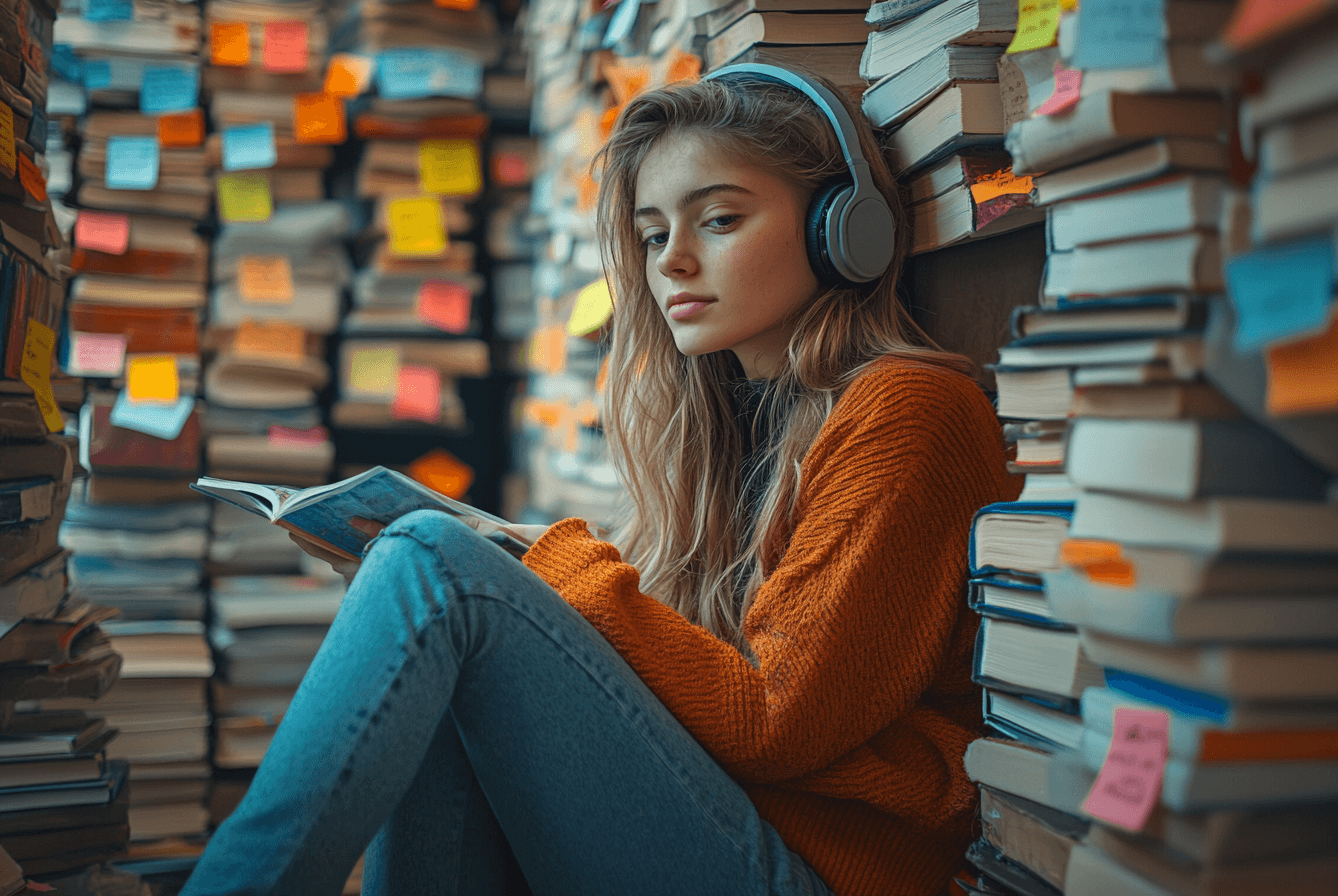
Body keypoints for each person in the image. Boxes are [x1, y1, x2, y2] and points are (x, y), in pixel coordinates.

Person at [180, 65, 1019, 896]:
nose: (675, 263)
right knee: (438, 584)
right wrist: (523, 562)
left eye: (719, 219)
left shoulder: (911, 409)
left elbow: (771, 722)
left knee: (434, 561)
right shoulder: (730, 430)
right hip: (732, 825)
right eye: (654, 235)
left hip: (811, 874)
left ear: (843, 230)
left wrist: (542, 562)